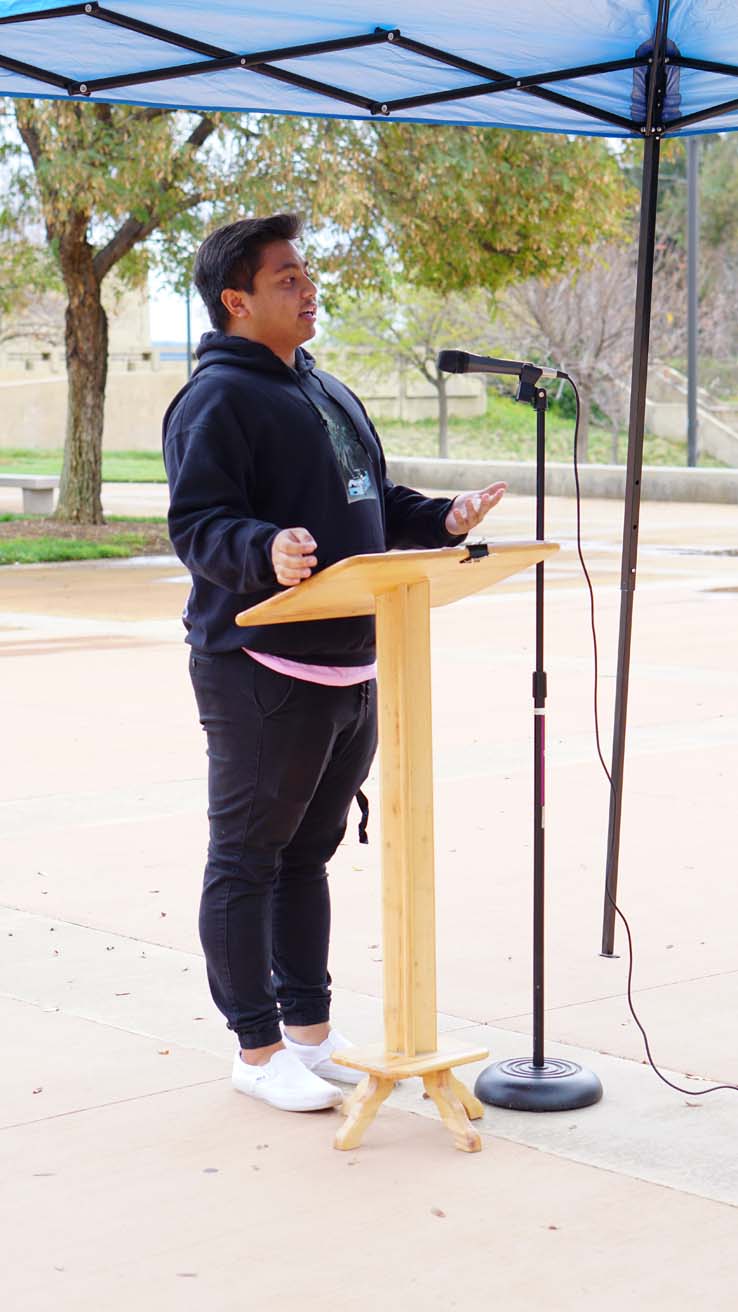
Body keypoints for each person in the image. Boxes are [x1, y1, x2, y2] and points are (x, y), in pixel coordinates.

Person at [163, 214, 506, 1113]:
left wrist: (444, 519)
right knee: (246, 857)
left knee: (306, 856)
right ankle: (255, 1045)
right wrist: (263, 547)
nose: (309, 289)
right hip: (260, 667)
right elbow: (198, 524)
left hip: (353, 662)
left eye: (307, 273)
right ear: (236, 300)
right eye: (287, 278)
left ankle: (309, 1034)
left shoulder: (322, 388)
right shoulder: (216, 400)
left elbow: (369, 503)